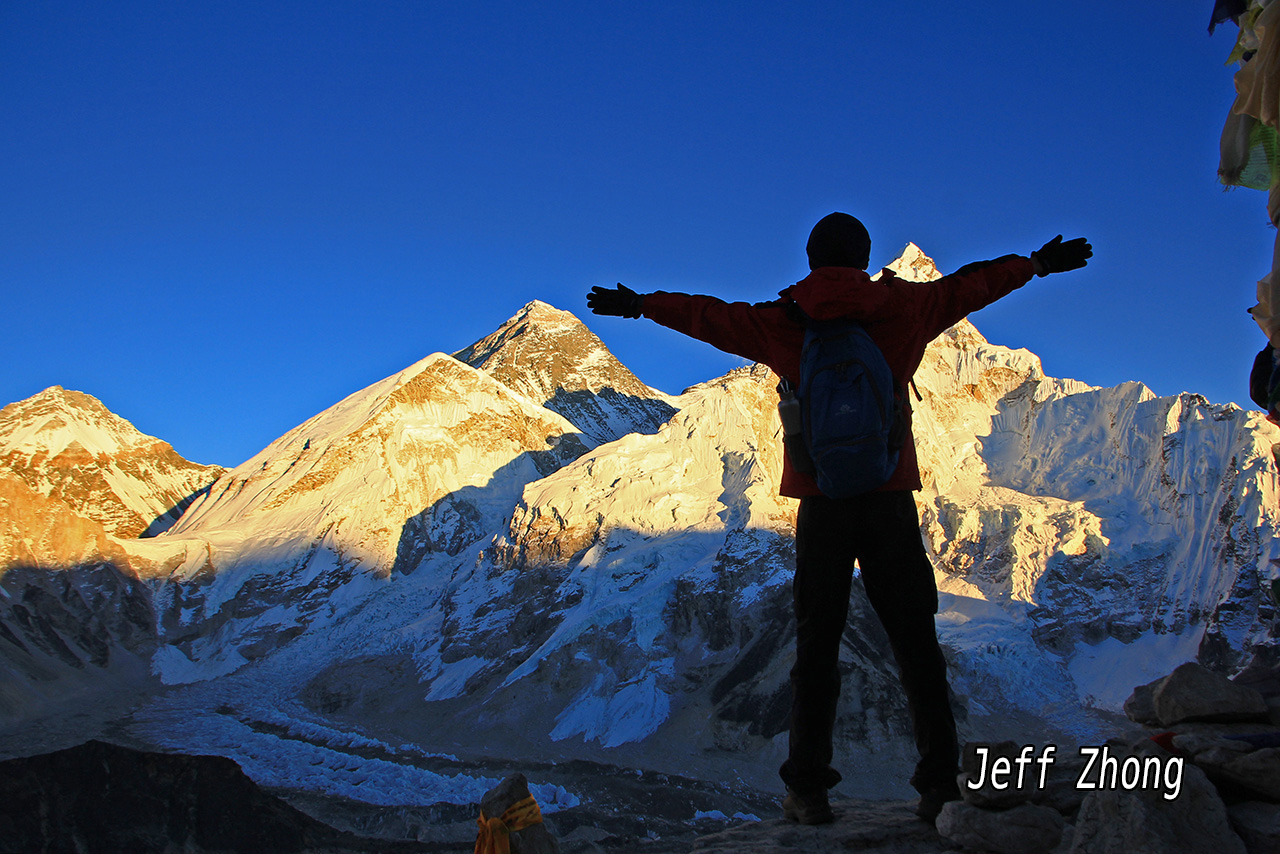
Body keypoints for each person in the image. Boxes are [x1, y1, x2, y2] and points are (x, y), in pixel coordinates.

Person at [586, 213, 1091, 824]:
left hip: (821, 500)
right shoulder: (906, 310)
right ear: (864, 256)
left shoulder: (785, 320)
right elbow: (969, 286)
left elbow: (709, 315)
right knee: (916, 643)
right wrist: (1035, 263)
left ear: (809, 259)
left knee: (816, 645)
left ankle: (807, 790)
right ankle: (938, 786)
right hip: (888, 495)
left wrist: (641, 304)